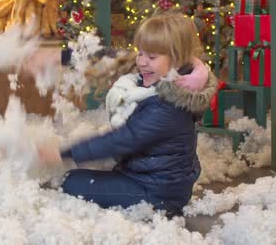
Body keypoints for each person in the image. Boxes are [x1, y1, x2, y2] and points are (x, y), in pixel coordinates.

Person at [36, 13, 218, 214]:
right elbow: (111, 60)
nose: (141, 62)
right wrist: (59, 57)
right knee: (85, 177)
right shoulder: (164, 76)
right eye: (140, 53)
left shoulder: (167, 106)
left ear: (176, 59)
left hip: (157, 192)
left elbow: (122, 139)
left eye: (151, 57)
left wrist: (65, 154)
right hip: (146, 175)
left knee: (70, 182)